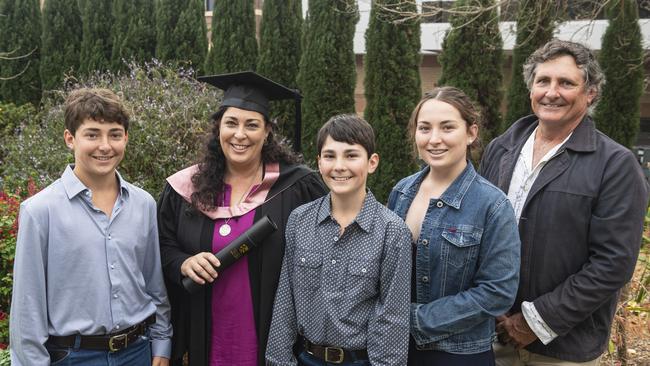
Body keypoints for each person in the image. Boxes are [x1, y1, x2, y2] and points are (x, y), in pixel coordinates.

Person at [480, 39, 649, 365]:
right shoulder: (502, 149)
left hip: (564, 348)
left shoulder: (615, 164)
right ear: (531, 89)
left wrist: (535, 321)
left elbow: (612, 264)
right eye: (543, 81)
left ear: (590, 93)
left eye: (566, 83)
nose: (551, 92)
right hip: (491, 336)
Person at [157, 71, 327, 366]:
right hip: (201, 334)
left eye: (252, 125)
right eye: (231, 123)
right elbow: (160, 246)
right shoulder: (184, 189)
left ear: (267, 131)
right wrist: (183, 262)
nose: (240, 134)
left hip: (273, 340)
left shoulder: (298, 186)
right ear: (218, 128)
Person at [9, 88, 172, 366]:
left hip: (138, 353)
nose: (105, 145)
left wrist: (162, 345)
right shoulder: (40, 211)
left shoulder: (143, 204)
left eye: (115, 134)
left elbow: (154, 284)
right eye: (92, 134)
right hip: (74, 357)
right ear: (70, 139)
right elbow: (27, 311)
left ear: (126, 138)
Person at [387, 86, 521, 365]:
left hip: (459, 353)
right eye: (424, 128)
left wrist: (415, 319)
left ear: (471, 133)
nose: (434, 139)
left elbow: (498, 292)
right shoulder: (401, 192)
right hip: (396, 350)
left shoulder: (492, 205)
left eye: (447, 127)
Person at [265, 114, 412, 365]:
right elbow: (285, 301)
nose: (339, 166)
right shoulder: (300, 220)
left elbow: (393, 317)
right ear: (319, 163)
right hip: (306, 358)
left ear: (372, 162)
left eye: (351, 155)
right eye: (330, 156)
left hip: (360, 361)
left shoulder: (392, 230)